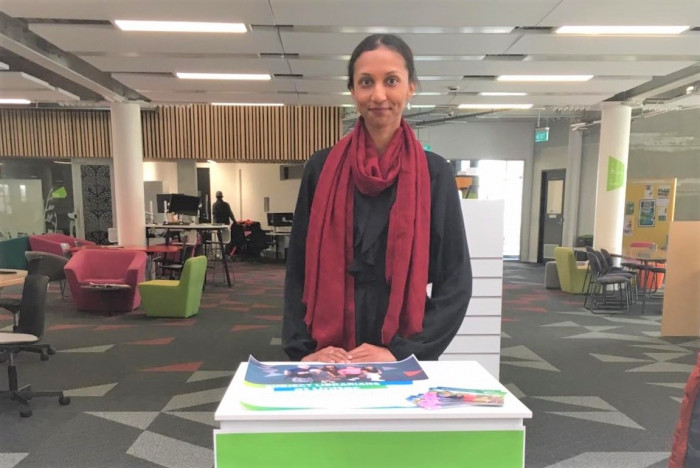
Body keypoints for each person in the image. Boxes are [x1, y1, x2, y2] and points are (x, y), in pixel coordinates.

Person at [282, 33, 472, 364]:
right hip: (329, 349)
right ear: (353, 90)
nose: (379, 94)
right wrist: (305, 350)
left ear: (411, 86)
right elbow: (298, 268)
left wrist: (402, 352)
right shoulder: (321, 168)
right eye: (366, 82)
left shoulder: (435, 173)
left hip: (401, 344)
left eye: (392, 80)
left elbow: (455, 279)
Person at [211, 191, 238, 255]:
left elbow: (214, 215)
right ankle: (226, 253)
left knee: (221, 240)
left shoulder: (215, 205)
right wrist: (235, 222)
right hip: (226, 225)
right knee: (227, 240)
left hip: (218, 225)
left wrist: (214, 225)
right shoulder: (226, 204)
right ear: (222, 196)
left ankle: (221, 253)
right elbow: (230, 214)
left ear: (216, 197)